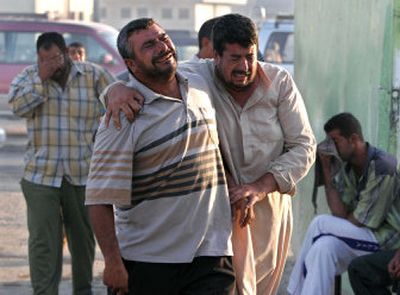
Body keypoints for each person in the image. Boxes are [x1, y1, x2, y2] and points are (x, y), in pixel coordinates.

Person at [103, 13, 316, 295]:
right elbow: (141, 79)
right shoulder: (196, 76)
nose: (244, 67)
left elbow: (304, 145)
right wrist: (113, 91)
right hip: (220, 213)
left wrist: (260, 187)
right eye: (234, 58)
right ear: (214, 56)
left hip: (268, 209)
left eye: (250, 56)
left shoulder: (280, 82)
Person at [85, 18, 235, 295]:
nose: (162, 47)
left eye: (163, 38)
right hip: (148, 262)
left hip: (211, 255)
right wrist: (112, 263)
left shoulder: (201, 80)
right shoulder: (121, 118)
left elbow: (243, 65)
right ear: (131, 65)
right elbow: (98, 199)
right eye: (149, 45)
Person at [8, 32, 115, 294]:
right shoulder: (29, 77)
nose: (51, 64)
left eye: (55, 58)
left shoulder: (93, 75)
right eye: (44, 59)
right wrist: (41, 81)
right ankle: (45, 291)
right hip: (40, 176)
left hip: (83, 173)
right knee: (44, 241)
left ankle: (83, 289)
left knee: (83, 240)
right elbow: (18, 108)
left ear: (66, 53)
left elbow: (116, 101)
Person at [287, 112, 400, 295]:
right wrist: (325, 168)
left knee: (320, 224)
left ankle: (293, 290)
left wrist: (345, 221)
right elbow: (340, 214)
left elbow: (359, 222)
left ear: (353, 139)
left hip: (387, 243)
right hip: (363, 238)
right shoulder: (348, 168)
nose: (330, 146)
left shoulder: (382, 166)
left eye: (335, 140)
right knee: (323, 248)